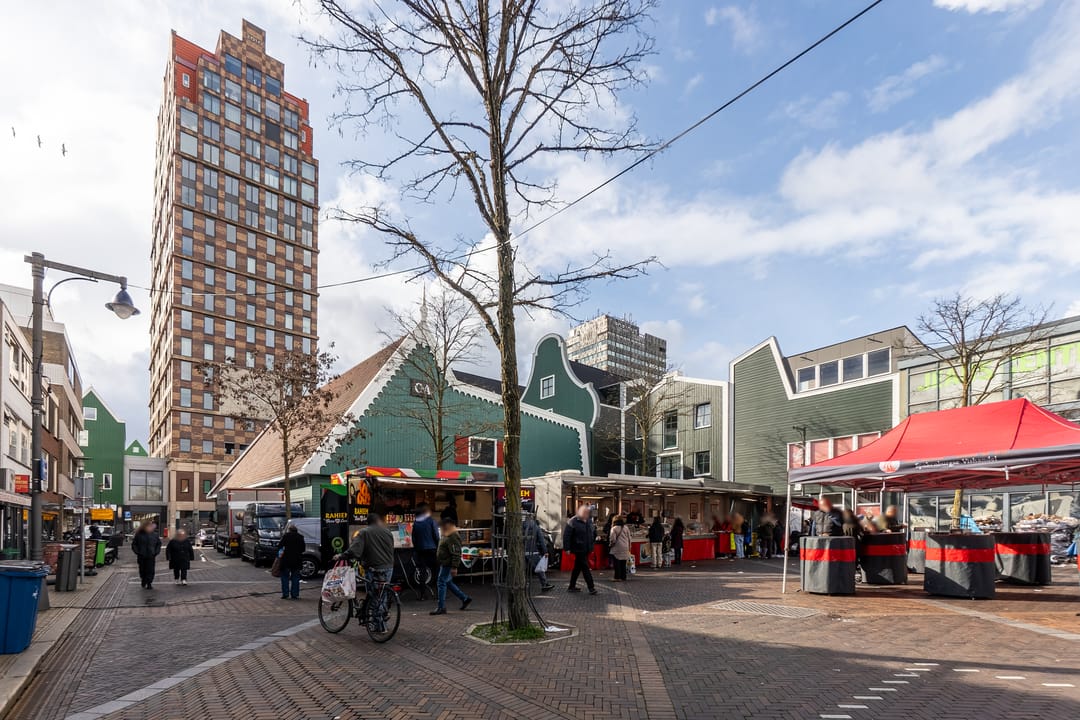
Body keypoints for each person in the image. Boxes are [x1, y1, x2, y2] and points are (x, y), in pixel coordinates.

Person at [342, 513, 397, 627]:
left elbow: (355, 550)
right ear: (378, 521)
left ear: (367, 522)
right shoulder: (387, 532)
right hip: (388, 567)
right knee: (383, 594)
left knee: (374, 595)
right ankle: (382, 619)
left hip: (373, 567)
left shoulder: (364, 532)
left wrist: (342, 556)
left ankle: (378, 625)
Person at [431, 517, 472, 615]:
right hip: (445, 562)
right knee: (447, 582)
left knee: (441, 582)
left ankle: (441, 607)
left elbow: (456, 552)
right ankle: (465, 598)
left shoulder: (453, 536)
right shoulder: (447, 534)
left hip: (447, 563)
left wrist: (454, 567)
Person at [563, 505, 597, 594]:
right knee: (585, 567)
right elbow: (567, 535)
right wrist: (567, 548)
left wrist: (592, 542)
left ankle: (571, 586)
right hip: (578, 548)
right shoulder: (572, 521)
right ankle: (591, 587)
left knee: (577, 567)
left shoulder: (589, 521)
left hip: (587, 548)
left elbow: (593, 532)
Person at [411, 503, 440, 599]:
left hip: (420, 550)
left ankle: (423, 595)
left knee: (422, 572)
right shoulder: (431, 521)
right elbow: (436, 535)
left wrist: (417, 547)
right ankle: (438, 594)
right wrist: (438, 545)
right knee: (437, 570)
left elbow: (414, 538)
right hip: (432, 549)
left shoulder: (416, 522)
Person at [523, 505, 554, 592]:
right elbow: (541, 540)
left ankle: (523, 584)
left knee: (523, 569)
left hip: (522, 551)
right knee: (539, 568)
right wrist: (545, 551)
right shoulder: (536, 526)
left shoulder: (520, 526)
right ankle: (544, 584)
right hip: (533, 551)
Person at [277, 524, 306, 600]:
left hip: (286, 560)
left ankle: (285, 594)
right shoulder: (300, 537)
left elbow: (280, 546)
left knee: (285, 577)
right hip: (297, 560)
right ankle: (295, 594)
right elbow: (303, 549)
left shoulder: (286, 536)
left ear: (289, 530)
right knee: (295, 578)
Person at [132, 521, 162, 590]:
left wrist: (156, 552)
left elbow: (158, 544)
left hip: (151, 555)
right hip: (141, 555)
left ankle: (149, 583)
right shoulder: (139, 534)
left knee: (150, 570)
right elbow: (134, 544)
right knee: (142, 569)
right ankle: (143, 580)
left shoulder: (155, 535)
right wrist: (138, 552)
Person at [609, 516, 631, 581]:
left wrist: (610, 544)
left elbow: (613, 539)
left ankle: (617, 577)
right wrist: (629, 546)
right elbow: (629, 538)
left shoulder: (614, 528)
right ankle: (623, 576)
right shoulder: (626, 527)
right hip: (625, 546)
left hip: (617, 547)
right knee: (623, 563)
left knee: (617, 563)